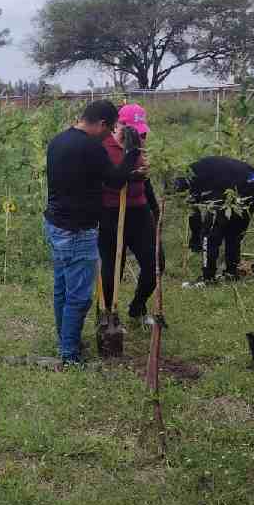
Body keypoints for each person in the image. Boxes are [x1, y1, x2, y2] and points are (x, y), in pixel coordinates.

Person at [44, 100, 142, 365]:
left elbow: (87, 177)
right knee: (78, 297)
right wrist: (132, 153)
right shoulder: (91, 147)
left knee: (62, 289)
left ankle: (65, 340)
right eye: (109, 129)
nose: (109, 134)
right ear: (101, 123)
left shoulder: (58, 141)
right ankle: (69, 355)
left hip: (55, 225)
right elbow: (114, 179)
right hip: (78, 230)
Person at [99, 103, 157, 319]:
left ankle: (138, 307)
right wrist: (125, 174)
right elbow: (99, 180)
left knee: (155, 263)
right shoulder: (101, 146)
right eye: (131, 129)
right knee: (113, 267)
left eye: (140, 131)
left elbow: (147, 178)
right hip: (110, 212)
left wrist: (155, 210)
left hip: (139, 210)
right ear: (117, 125)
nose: (138, 135)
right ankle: (108, 315)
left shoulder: (139, 143)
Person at [175, 156, 254, 283]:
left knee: (209, 234)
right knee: (234, 231)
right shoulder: (198, 169)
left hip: (239, 184)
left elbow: (194, 213)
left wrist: (196, 239)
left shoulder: (192, 180)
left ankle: (208, 278)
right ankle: (231, 273)